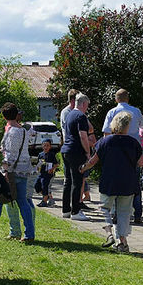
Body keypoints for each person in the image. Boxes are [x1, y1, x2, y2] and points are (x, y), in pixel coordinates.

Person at [81, 111, 143, 253]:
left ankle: (109, 233)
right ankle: (123, 243)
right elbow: (141, 162)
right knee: (124, 213)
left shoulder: (104, 142)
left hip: (109, 181)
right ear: (127, 126)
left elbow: (92, 161)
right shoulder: (133, 143)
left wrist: (83, 168)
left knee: (104, 208)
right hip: (128, 182)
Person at [0, 102, 36, 242]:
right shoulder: (25, 131)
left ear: (4, 116)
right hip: (23, 170)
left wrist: (6, 171)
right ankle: (29, 233)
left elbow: (8, 155)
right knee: (22, 202)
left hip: (12, 171)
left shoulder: (10, 132)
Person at [102, 89, 143, 223]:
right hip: (133, 150)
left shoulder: (112, 112)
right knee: (135, 182)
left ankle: (116, 213)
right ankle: (137, 213)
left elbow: (106, 133)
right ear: (128, 98)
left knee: (117, 182)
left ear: (116, 99)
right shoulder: (136, 111)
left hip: (117, 151)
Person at [61, 93, 92, 221]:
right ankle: (76, 211)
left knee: (68, 181)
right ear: (84, 104)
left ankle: (66, 210)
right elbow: (83, 135)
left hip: (66, 150)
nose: (87, 108)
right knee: (77, 181)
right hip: (76, 152)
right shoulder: (81, 116)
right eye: (87, 106)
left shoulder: (70, 115)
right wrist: (88, 152)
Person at [35, 138, 58, 207]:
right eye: (44, 145)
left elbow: (56, 164)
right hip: (41, 173)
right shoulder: (40, 154)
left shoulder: (51, 154)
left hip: (48, 174)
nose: (46, 147)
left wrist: (52, 169)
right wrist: (37, 168)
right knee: (37, 186)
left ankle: (44, 201)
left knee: (45, 186)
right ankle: (47, 196)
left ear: (50, 147)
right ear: (42, 146)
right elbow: (38, 164)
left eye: (47, 145)